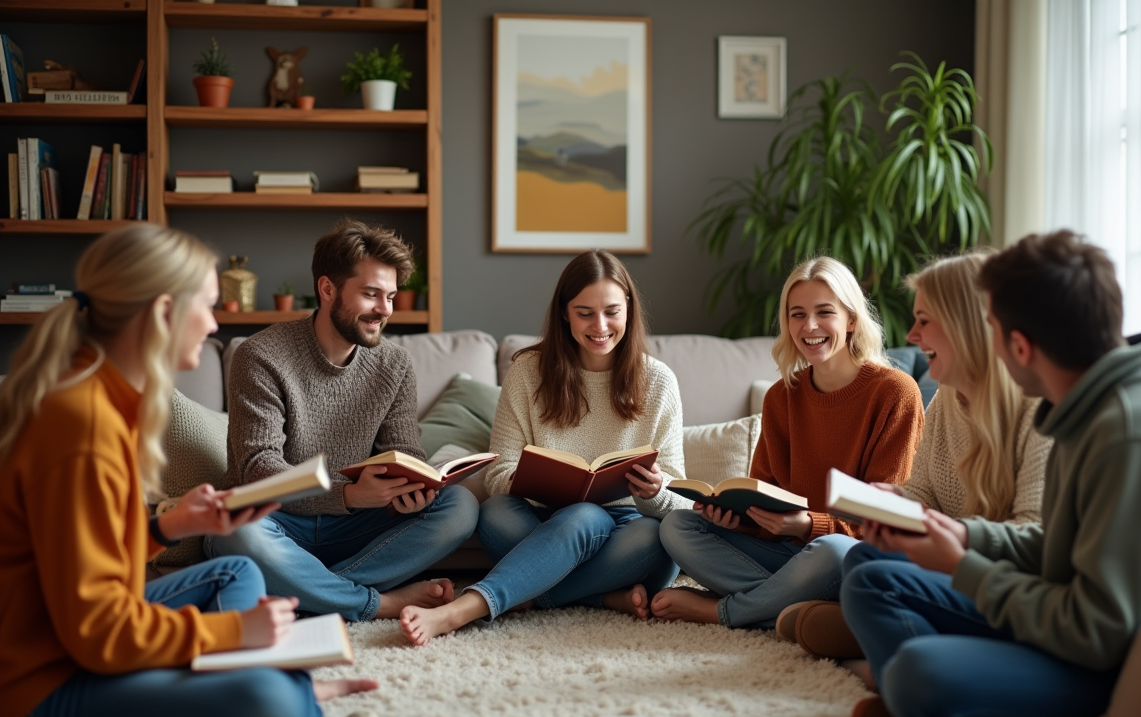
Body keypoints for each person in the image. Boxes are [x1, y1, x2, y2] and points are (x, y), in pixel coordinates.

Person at [0, 225, 375, 717]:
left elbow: (80, 554)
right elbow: (98, 633)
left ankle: (221, 707)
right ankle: (266, 704)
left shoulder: (104, 399)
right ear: (161, 313)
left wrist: (163, 528)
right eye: (205, 304)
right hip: (39, 689)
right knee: (271, 701)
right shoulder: (82, 428)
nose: (215, 321)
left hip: (68, 638)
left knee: (233, 573)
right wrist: (236, 633)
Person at [840, 230, 1141, 717]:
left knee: (918, 672)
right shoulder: (1092, 402)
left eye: (991, 328)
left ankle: (918, 703)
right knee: (874, 580)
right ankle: (921, 702)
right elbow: (1060, 546)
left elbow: (1097, 633)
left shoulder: (1128, 433)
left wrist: (964, 568)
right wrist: (965, 539)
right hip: (1075, 625)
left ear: (1020, 346)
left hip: (1121, 669)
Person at [399, 250, 689, 645]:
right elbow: (499, 473)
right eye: (584, 312)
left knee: (655, 538)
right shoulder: (527, 372)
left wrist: (656, 491)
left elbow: (680, 495)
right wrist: (538, 481)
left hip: (626, 531)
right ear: (564, 314)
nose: (600, 325)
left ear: (629, 312)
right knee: (498, 513)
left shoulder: (658, 381)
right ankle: (599, 596)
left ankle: (469, 607)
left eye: (611, 311)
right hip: (539, 520)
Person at [779, 252, 1052, 655]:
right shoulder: (944, 400)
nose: (911, 335)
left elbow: (1037, 536)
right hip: (950, 567)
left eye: (924, 320)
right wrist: (891, 504)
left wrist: (958, 539)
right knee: (862, 559)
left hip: (1003, 586)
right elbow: (923, 493)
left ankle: (879, 652)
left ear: (965, 325)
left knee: (862, 575)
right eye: (796, 314)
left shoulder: (1038, 407)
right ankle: (879, 633)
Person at [208, 219, 477, 623]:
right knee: (233, 531)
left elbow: (403, 451)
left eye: (390, 296)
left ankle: (319, 591)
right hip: (278, 521)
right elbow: (258, 469)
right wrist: (347, 495)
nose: (384, 310)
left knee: (460, 506)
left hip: (353, 530)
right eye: (371, 294)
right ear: (328, 288)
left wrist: (414, 487)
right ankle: (377, 602)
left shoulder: (394, 364)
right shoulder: (261, 356)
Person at [650, 256, 924, 629]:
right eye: (797, 314)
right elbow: (766, 497)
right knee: (677, 527)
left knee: (829, 550)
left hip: (848, 555)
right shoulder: (781, 397)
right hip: (786, 556)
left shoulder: (895, 393)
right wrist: (734, 519)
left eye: (824, 312)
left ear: (852, 320)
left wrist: (808, 526)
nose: (809, 326)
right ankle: (800, 610)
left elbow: (886, 523)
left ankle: (725, 611)